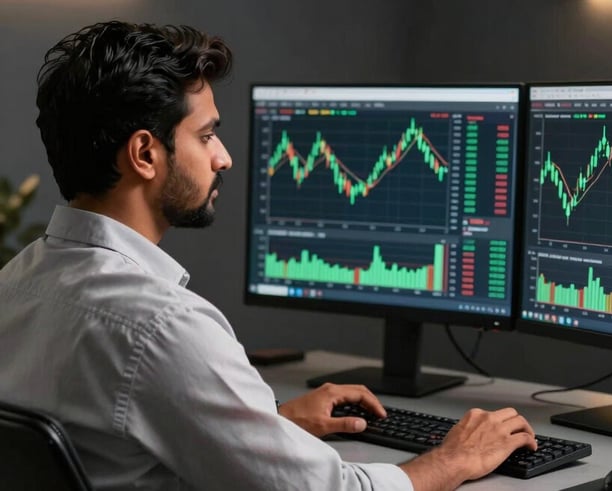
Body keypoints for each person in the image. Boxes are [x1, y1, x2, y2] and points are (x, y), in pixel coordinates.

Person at [0, 20, 536, 491]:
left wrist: (267, 425)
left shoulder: (15, 283)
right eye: (206, 135)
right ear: (145, 154)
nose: (224, 157)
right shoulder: (163, 328)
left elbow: (116, 434)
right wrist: (452, 459)